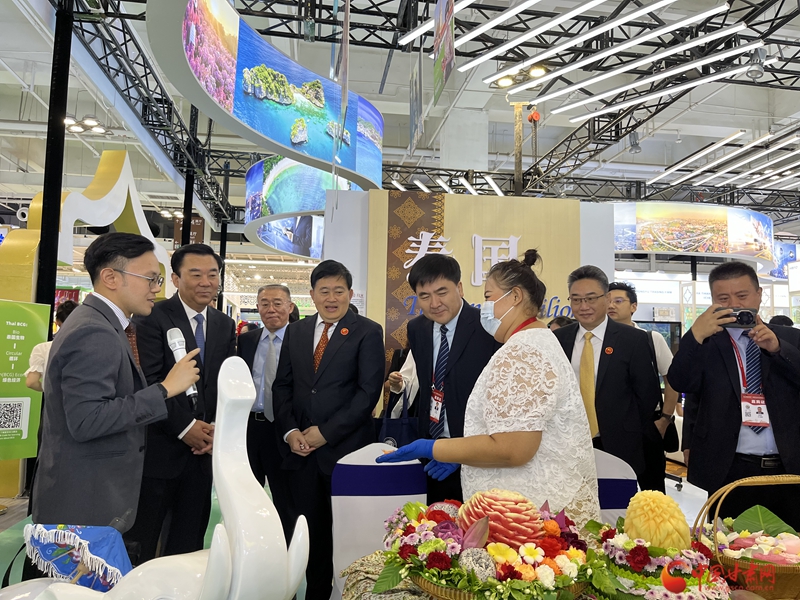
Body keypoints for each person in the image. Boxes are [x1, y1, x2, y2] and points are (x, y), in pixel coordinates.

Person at [378, 250, 600, 526]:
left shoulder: (523, 351)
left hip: (527, 508)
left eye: (488, 297)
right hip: (522, 496)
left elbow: (513, 448)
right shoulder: (532, 341)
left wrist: (436, 448)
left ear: (515, 297)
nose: (484, 307)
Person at [32, 233, 200, 529]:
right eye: (150, 279)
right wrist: (165, 389)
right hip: (85, 503)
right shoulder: (94, 331)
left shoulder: (103, 324)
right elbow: (87, 420)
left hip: (91, 494)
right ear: (110, 277)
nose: (156, 289)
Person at [272, 259, 384, 600]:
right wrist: (291, 431)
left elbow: (367, 393)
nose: (331, 298)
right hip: (302, 453)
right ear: (312, 295)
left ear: (350, 293)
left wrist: (326, 432)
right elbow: (283, 386)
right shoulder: (297, 331)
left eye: (339, 291)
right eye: (324, 291)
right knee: (311, 533)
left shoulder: (367, 331)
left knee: (349, 534)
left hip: (346, 451)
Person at [125, 244, 237, 564]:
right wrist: (186, 428)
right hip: (160, 450)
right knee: (145, 541)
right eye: (195, 274)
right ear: (175, 279)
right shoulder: (151, 317)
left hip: (203, 455)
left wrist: (213, 429)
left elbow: (222, 383)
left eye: (212, 274)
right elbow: (149, 382)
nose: (206, 282)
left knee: (189, 541)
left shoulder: (223, 324)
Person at [668, 261, 800, 527]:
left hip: (789, 467)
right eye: (723, 298)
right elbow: (681, 382)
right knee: (728, 543)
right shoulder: (707, 342)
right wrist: (694, 337)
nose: (735, 305)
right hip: (728, 468)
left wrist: (777, 349)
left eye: (742, 295)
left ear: (759, 294)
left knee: (790, 546)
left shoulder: (790, 338)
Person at [392, 254, 500, 504]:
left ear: (459, 288)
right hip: (432, 451)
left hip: (476, 454)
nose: (435, 303)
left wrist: (465, 453)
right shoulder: (417, 329)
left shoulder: (487, 328)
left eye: (442, 292)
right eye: (424, 296)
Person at [552, 266, 665, 492]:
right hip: (570, 445)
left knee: (615, 506)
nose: (583, 306)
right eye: (576, 299)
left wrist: (624, 425)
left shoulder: (633, 339)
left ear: (606, 298)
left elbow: (647, 394)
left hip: (619, 444)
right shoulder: (558, 339)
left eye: (591, 298)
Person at [236, 284, 297, 541]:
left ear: (290, 307)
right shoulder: (246, 341)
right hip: (251, 427)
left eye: (277, 303)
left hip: (285, 428)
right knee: (248, 493)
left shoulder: (301, 340)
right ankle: (250, 544)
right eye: (264, 303)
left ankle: (286, 548)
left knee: (286, 496)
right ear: (258, 308)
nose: (271, 309)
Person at [607, 282, 679, 439]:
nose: (611, 306)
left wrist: (665, 419)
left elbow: (672, 381)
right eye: (607, 301)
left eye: (618, 301)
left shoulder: (651, 339)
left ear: (633, 307)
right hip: (607, 424)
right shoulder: (597, 342)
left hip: (646, 422)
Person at [25, 300, 79, 393]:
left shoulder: (42, 348)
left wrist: (49, 390)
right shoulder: (89, 348)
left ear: (57, 322)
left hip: (53, 400)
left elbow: (31, 382)